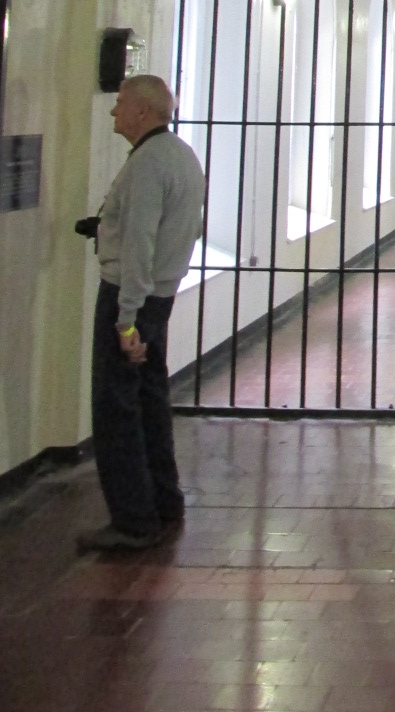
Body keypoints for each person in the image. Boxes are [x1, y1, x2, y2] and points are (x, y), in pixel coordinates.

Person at [77, 74, 205, 552]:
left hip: (131, 296)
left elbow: (140, 242)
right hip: (160, 294)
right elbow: (182, 227)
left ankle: (132, 520)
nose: (114, 111)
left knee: (116, 407)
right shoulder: (181, 155)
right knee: (149, 398)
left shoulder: (149, 162)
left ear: (142, 112)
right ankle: (164, 501)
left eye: (120, 103)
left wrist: (126, 319)